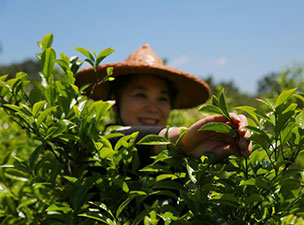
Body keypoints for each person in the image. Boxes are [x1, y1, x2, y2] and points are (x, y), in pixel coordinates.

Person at [76, 43, 252, 164]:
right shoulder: (97, 145)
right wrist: (182, 140)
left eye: (162, 98)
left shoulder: (182, 166)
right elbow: (122, 137)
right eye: (140, 95)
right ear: (115, 103)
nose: (153, 108)